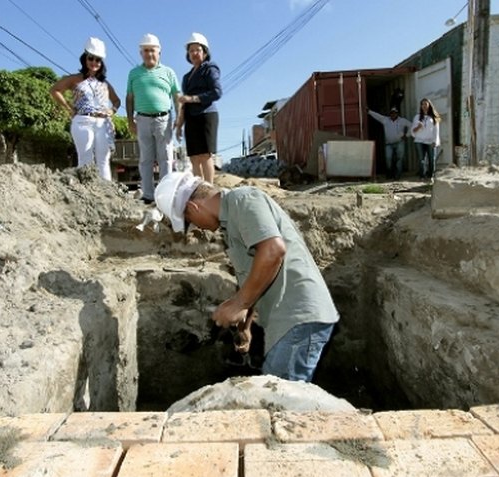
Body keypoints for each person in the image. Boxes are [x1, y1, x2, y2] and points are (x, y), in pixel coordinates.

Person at [154, 172, 340, 382]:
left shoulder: (243, 199)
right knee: (280, 395)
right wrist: (245, 326)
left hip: (299, 315)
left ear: (192, 207)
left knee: (280, 400)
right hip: (290, 321)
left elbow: (272, 251)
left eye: (189, 220)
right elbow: (255, 275)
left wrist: (239, 304)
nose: (196, 227)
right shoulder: (232, 223)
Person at [50, 37, 121, 181]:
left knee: (103, 160)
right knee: (85, 158)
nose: (94, 62)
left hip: (103, 123)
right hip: (83, 120)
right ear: (85, 59)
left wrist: (112, 110)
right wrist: (69, 108)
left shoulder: (104, 83)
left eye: (98, 60)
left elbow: (116, 100)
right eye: (91, 58)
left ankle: (106, 193)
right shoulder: (75, 79)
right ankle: (86, 193)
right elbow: (55, 90)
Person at [126, 33, 181, 204]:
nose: (149, 54)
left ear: (159, 52)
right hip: (142, 120)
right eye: (146, 50)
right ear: (141, 53)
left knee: (165, 157)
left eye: (152, 50)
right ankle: (148, 195)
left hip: (164, 119)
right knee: (145, 159)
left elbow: (176, 95)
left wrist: (179, 118)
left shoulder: (168, 72)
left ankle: (166, 194)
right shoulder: (134, 73)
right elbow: (129, 98)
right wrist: (129, 120)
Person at [175, 33, 222, 185]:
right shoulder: (186, 77)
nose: (194, 53)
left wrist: (193, 98)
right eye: (191, 51)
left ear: (205, 52)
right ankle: (199, 189)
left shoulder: (210, 69)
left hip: (206, 115)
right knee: (194, 157)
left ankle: (209, 188)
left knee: (205, 155)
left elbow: (217, 92)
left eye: (197, 50)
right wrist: (179, 124)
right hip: (191, 117)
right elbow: (184, 103)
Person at [368, 106, 412, 180]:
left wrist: (407, 135)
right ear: (390, 113)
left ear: (397, 113)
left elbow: (411, 125)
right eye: (392, 113)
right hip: (389, 144)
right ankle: (389, 174)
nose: (393, 114)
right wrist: (369, 111)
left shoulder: (402, 120)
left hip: (399, 142)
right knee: (388, 158)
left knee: (399, 159)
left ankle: (397, 175)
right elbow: (377, 116)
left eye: (395, 113)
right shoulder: (385, 120)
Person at [411, 98, 441, 180]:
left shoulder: (433, 117)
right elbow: (412, 132)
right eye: (422, 104)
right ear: (420, 106)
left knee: (432, 159)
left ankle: (431, 176)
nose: (424, 106)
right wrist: (418, 127)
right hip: (419, 141)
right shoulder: (417, 117)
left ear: (429, 105)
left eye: (426, 104)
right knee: (421, 159)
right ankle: (422, 175)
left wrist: (435, 141)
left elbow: (436, 130)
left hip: (430, 141)